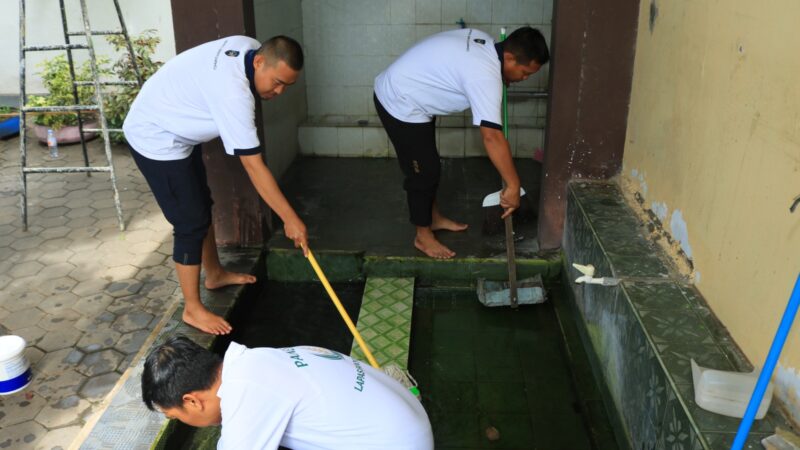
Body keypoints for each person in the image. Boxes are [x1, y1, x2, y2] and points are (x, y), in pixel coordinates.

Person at [123, 36, 308, 335]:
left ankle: (215, 274)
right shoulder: (234, 93)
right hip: (155, 136)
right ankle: (193, 309)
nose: (279, 92)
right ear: (260, 62)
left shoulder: (248, 47)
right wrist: (290, 218)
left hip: (176, 126)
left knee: (201, 204)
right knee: (189, 223)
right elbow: (253, 166)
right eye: (276, 82)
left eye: (287, 85)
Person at [374, 27, 550, 259]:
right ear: (508, 58)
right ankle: (423, 235)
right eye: (525, 72)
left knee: (429, 164)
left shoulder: (485, 43)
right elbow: (492, 137)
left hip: (414, 93)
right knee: (423, 174)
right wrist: (513, 185)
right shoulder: (485, 75)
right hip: (398, 100)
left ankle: (433, 218)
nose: (524, 79)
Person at [142, 335, 434, 450]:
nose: (180, 420)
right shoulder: (255, 359)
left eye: (175, 416)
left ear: (191, 400)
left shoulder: (245, 394)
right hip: (409, 421)